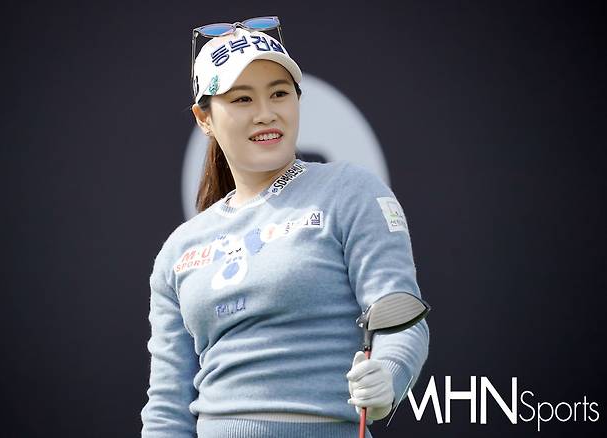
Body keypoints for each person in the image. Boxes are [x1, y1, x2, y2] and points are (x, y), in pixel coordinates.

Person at [140, 18, 430, 438]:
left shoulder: (350, 190)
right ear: (204, 118)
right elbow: (168, 407)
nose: (266, 113)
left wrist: (389, 373)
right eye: (242, 99)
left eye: (279, 93)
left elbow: (399, 317)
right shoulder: (180, 248)